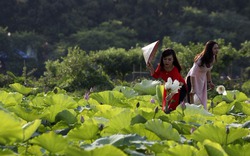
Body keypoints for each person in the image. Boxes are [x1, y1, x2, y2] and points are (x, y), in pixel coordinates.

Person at [147, 48, 187, 113]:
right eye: (165, 59)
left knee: (173, 108)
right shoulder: (161, 67)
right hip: (168, 86)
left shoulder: (175, 70)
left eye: (169, 59)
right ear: (162, 59)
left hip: (179, 87)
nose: (167, 61)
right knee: (165, 108)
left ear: (173, 60)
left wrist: (171, 95)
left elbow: (176, 86)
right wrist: (150, 67)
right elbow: (156, 76)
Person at [186, 40, 219, 110]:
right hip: (192, 80)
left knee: (201, 100)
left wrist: (210, 82)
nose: (217, 50)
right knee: (192, 100)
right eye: (215, 48)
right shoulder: (200, 59)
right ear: (210, 49)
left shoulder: (212, 58)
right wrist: (193, 87)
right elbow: (192, 74)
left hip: (201, 81)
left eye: (217, 48)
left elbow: (208, 70)